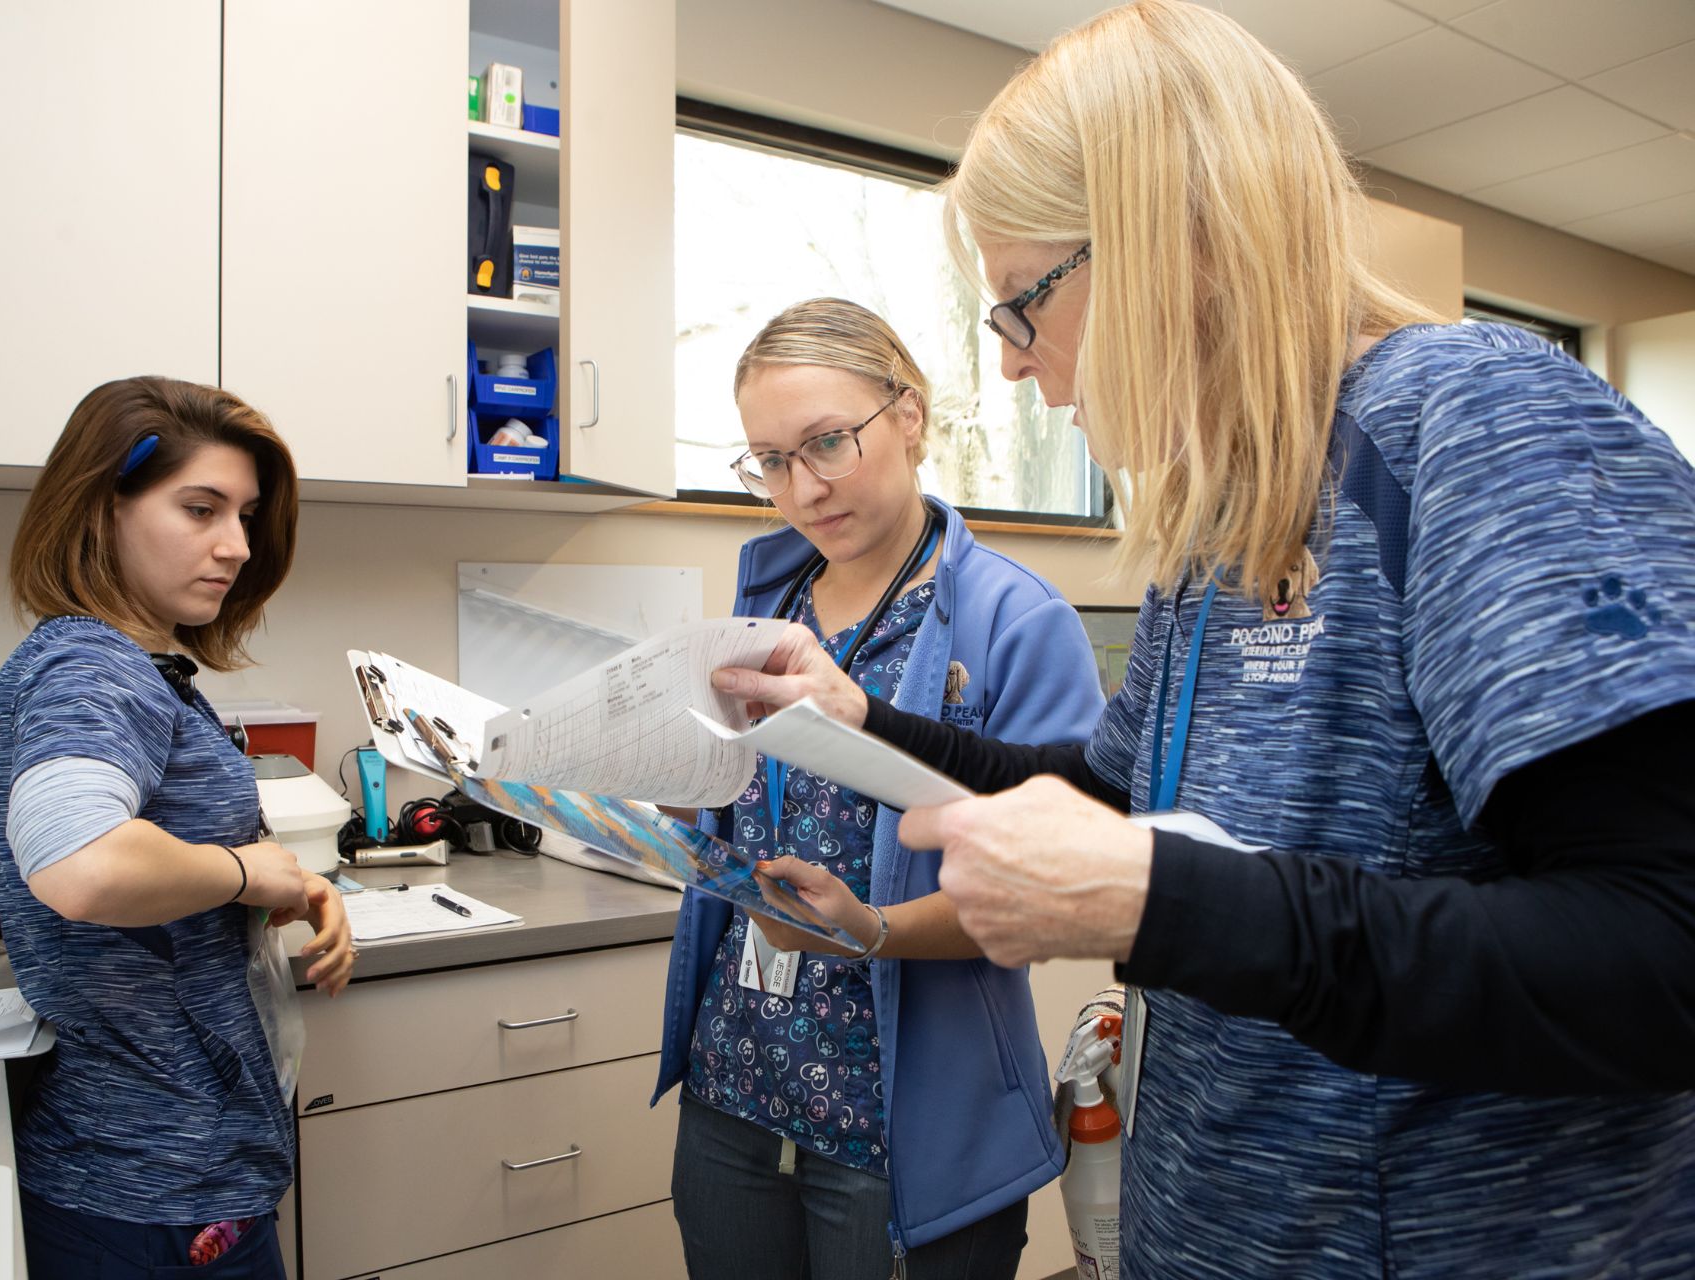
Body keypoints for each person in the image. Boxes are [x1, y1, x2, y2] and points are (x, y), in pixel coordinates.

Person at [712, 4, 1695, 1277]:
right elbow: (1120, 800)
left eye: (1021, 306)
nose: (1010, 366)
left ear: (1173, 241)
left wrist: (1165, 898)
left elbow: (1659, 950)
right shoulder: (1224, 511)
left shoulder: (1477, 426)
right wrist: (865, 721)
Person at [653, 298, 1106, 1277]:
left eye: (826, 443)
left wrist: (876, 928)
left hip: (901, 1129)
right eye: (770, 461)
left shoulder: (1016, 622)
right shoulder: (765, 603)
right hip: (736, 1089)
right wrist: (676, 795)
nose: (802, 487)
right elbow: (741, 807)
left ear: (910, 414)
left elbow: (1061, 884)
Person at [0, 376, 355, 1279]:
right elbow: (82, 864)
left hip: (155, 1172)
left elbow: (157, 872)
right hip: (152, 1194)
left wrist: (291, 886)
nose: (234, 545)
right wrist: (250, 875)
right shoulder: (90, 665)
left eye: (246, 514)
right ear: (103, 508)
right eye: (200, 509)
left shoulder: (133, 668)